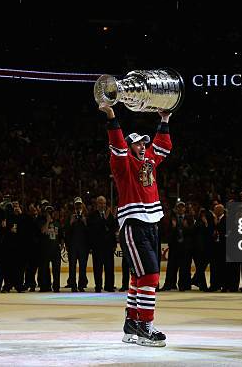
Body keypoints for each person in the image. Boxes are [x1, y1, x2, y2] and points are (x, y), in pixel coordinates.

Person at [99, 102, 171, 347]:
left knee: (138, 277)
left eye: (144, 142)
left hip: (152, 224)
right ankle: (145, 327)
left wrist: (164, 119)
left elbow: (162, 146)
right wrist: (111, 115)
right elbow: (117, 145)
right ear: (130, 147)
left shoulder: (149, 159)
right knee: (149, 276)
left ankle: (132, 324)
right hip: (134, 224)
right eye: (138, 143)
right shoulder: (122, 163)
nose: (143, 146)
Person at [88, 196, 118, 293]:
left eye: (104, 203)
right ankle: (98, 286)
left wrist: (114, 244)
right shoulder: (92, 215)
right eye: (100, 203)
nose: (103, 205)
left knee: (109, 267)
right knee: (98, 267)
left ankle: (109, 286)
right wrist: (104, 220)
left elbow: (113, 228)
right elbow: (94, 230)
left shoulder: (109, 215)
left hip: (108, 246)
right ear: (97, 204)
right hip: (97, 246)